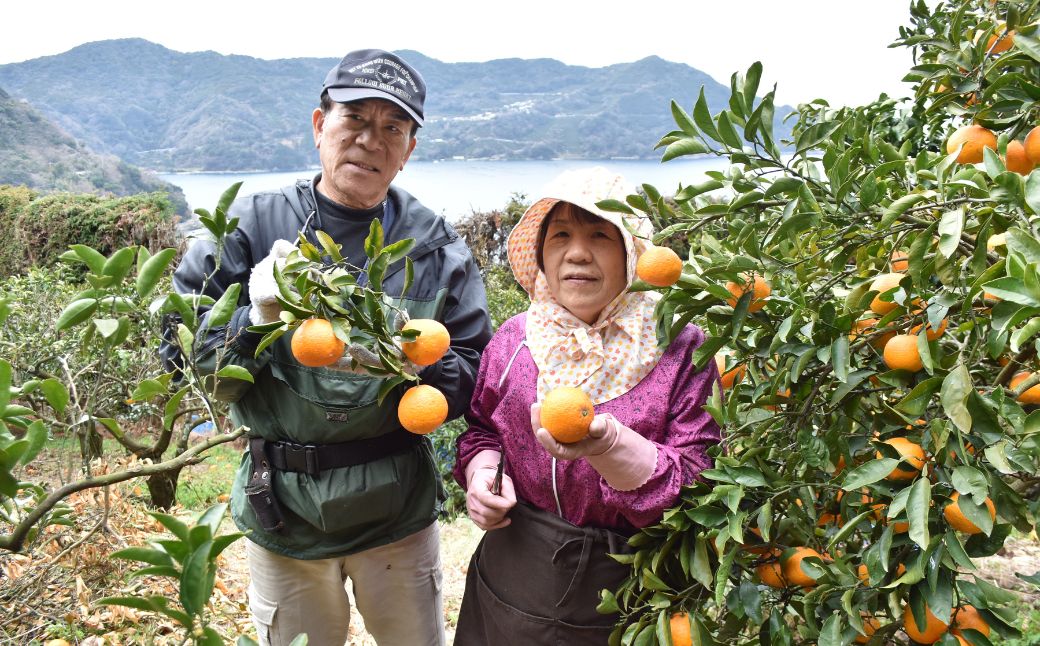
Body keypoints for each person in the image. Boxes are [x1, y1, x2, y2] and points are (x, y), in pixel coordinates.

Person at [159, 49, 492, 646]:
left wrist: (410, 359)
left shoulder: (433, 249)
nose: (371, 140)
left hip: (396, 509)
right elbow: (177, 345)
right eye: (355, 119)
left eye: (392, 128)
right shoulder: (252, 225)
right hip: (284, 506)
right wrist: (255, 319)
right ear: (320, 126)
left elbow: (475, 371)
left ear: (409, 149)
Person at [451, 167, 722, 644]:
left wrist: (611, 446)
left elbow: (697, 480)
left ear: (631, 252)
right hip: (517, 565)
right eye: (560, 236)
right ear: (540, 254)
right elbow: (482, 430)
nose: (577, 252)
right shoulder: (516, 338)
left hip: (635, 577)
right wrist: (482, 478)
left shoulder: (679, 347)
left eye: (599, 234)